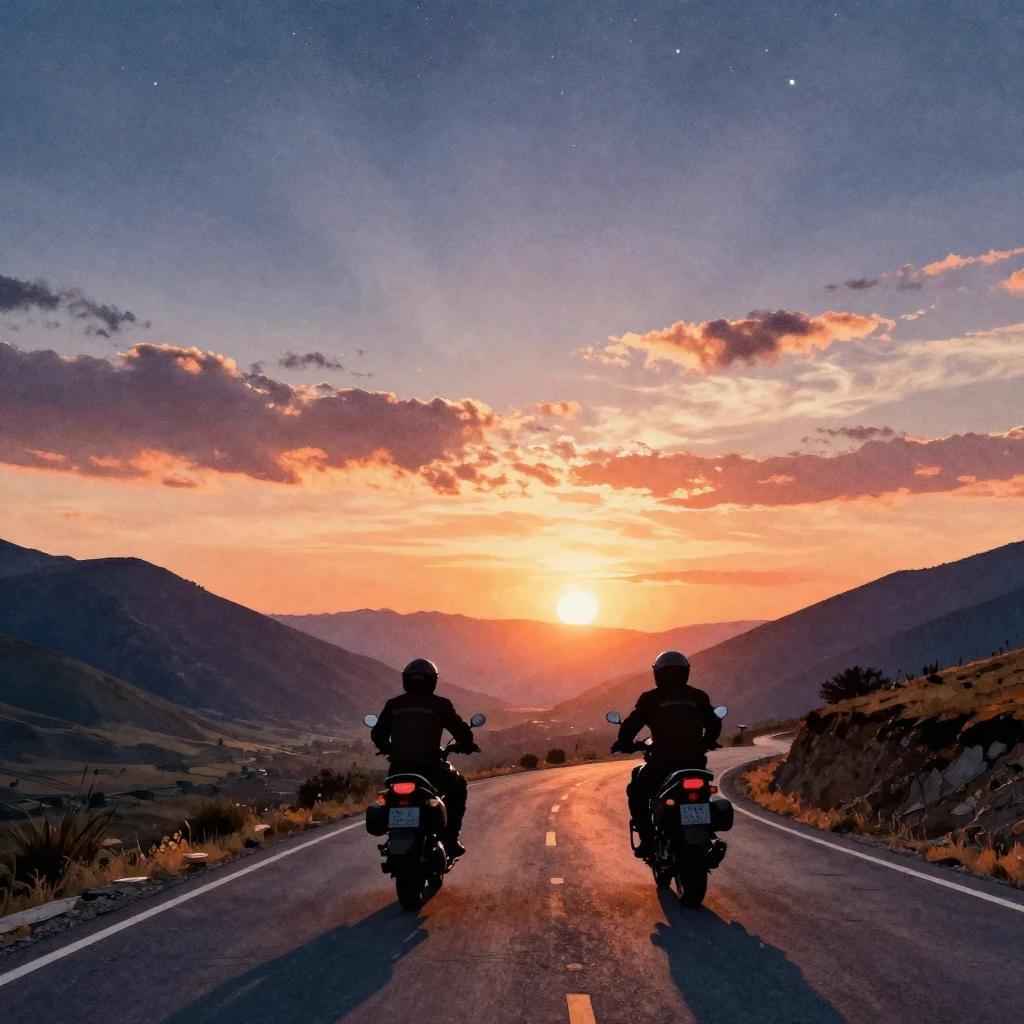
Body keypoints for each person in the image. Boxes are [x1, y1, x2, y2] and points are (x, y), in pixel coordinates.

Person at [611, 650, 722, 858]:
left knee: (636, 792)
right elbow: (714, 723)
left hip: (662, 765)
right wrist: (707, 742)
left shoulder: (651, 699)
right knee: (704, 794)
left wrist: (624, 743)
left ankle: (648, 840)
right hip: (694, 763)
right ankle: (707, 838)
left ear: (658, 674)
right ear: (685, 673)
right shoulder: (698, 697)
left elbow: (631, 725)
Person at [370, 658, 479, 859]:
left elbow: (377, 734)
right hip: (431, 770)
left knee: (390, 798)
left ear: (406, 680)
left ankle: (395, 837)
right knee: (458, 787)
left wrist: (389, 749)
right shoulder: (440, 705)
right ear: (432, 681)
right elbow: (461, 731)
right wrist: (466, 745)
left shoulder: (394, 705)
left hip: (398, 770)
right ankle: (451, 840)